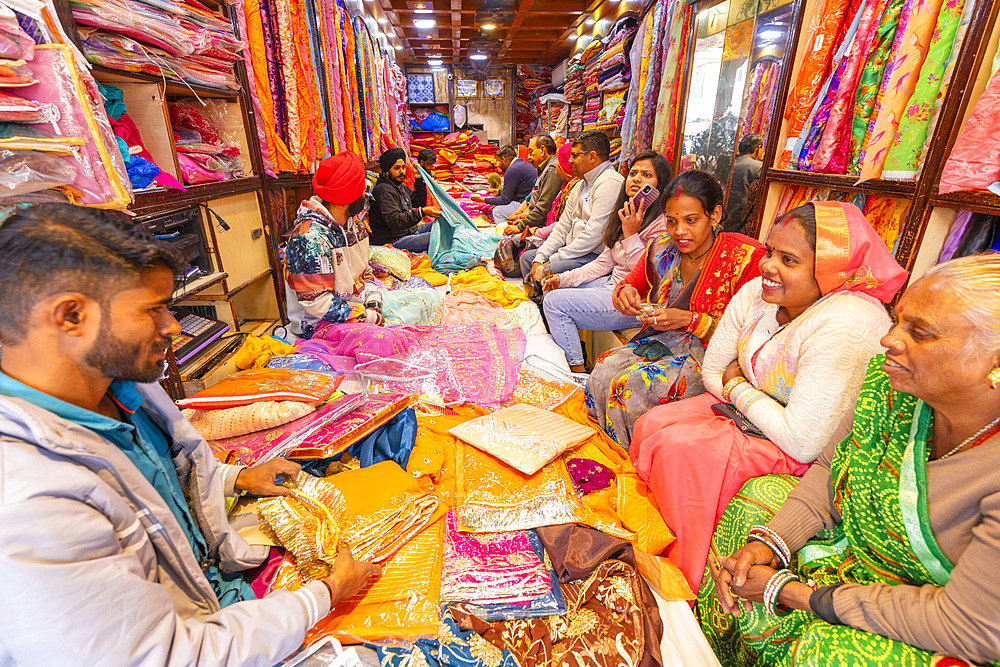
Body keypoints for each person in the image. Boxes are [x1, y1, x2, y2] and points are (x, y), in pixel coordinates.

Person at [0, 204, 379, 665]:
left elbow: (156, 484)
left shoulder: (119, 387)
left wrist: (238, 478)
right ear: (71, 316)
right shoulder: (29, 505)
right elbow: (165, 657)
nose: (173, 327)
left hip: (214, 593)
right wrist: (324, 595)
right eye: (153, 309)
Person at [704, 253, 1000, 667]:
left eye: (921, 333)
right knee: (755, 500)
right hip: (854, 557)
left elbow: (971, 624)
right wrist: (768, 545)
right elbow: (831, 467)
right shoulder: (887, 383)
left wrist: (791, 593)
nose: (889, 339)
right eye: (898, 320)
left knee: (831, 654)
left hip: (949, 625)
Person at [629, 201, 908, 593]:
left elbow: (804, 441)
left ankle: (681, 580)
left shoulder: (846, 321)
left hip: (797, 446)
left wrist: (737, 387)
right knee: (650, 423)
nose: (767, 266)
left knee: (680, 451)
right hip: (755, 414)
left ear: (831, 272)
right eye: (770, 251)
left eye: (789, 260)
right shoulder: (757, 294)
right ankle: (648, 550)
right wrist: (735, 389)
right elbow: (712, 369)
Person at [585, 170, 765, 448]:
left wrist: (691, 320)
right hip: (665, 340)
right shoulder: (661, 248)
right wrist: (625, 294)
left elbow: (754, 334)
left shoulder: (746, 257)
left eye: (691, 220)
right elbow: (629, 285)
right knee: (603, 367)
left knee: (633, 383)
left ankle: (636, 456)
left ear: (714, 215)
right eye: (671, 221)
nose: (679, 231)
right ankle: (611, 449)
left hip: (715, 356)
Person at [539, 151, 673, 373]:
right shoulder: (627, 213)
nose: (637, 179)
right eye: (633, 173)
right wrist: (563, 279)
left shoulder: (661, 224)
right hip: (612, 285)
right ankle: (576, 352)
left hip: (636, 300)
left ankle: (577, 371)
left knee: (554, 303)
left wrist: (630, 234)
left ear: (661, 184)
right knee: (553, 287)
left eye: (647, 175)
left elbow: (651, 274)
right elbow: (602, 263)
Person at [284, 151, 384, 340]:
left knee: (422, 302)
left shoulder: (354, 225)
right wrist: (369, 317)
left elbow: (365, 273)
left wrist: (373, 300)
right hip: (317, 326)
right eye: (362, 189)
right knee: (390, 340)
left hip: (355, 308)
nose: (365, 195)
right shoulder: (309, 239)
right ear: (349, 196)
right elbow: (319, 305)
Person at [521, 130, 625, 282]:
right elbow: (562, 227)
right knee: (528, 258)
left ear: (592, 157)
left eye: (575, 155)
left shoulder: (610, 183)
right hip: (573, 249)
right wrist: (541, 257)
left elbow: (594, 235)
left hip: (593, 254)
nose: (569, 160)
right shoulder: (581, 185)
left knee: (549, 270)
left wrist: (554, 259)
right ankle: (541, 298)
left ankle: (548, 302)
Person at [370, 147, 441, 252]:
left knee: (442, 224)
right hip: (395, 240)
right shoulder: (383, 191)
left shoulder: (400, 187)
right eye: (397, 168)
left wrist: (417, 178)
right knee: (439, 237)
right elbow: (394, 220)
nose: (402, 171)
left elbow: (418, 201)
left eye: (403, 167)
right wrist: (421, 212)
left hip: (409, 232)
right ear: (386, 170)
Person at [501, 134, 561, 236]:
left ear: (542, 150)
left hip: (540, 226)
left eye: (531, 152)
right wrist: (521, 217)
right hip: (534, 222)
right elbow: (533, 199)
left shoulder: (551, 170)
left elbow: (543, 208)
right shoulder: (543, 169)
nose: (529, 157)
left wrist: (520, 226)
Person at [470, 145, 536, 225]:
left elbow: (505, 200)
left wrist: (483, 200)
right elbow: (515, 191)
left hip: (525, 205)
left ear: (504, 159)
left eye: (499, 161)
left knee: (497, 211)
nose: (499, 165)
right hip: (530, 203)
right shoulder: (524, 165)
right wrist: (498, 192)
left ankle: (506, 232)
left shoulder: (512, 170)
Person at [724, 133, 763, 233]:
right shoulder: (759, 167)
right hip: (740, 220)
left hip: (724, 216)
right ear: (758, 149)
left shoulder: (731, 163)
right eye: (762, 149)